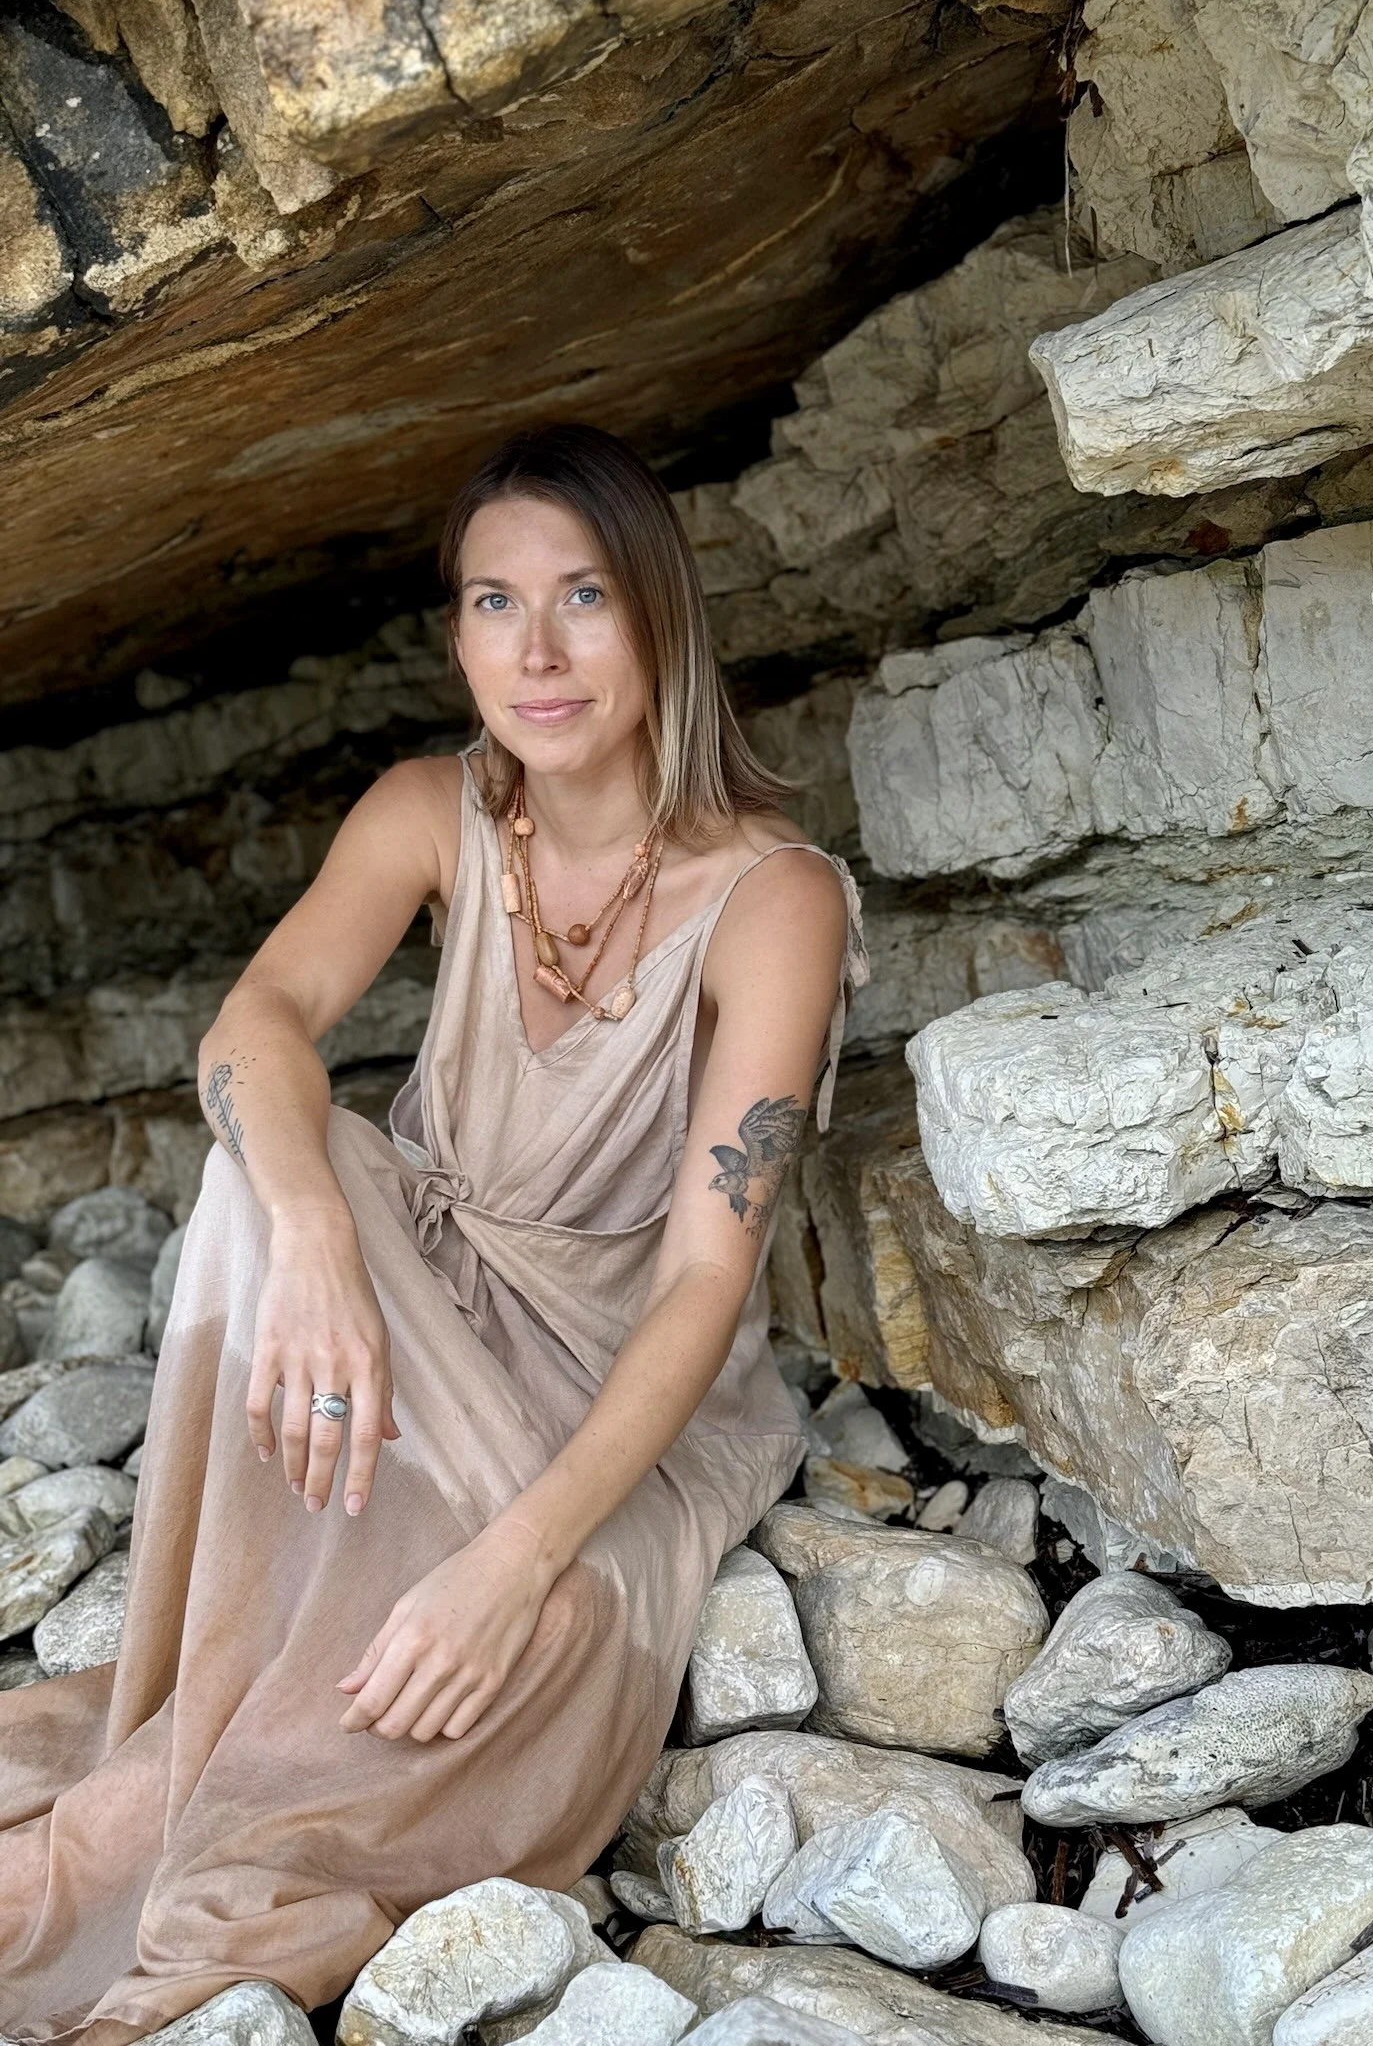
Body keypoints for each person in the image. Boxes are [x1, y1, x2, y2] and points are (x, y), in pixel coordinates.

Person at [0, 422, 867, 2042]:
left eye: (583, 597)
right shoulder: (433, 811)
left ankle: (193, 1790)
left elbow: (704, 1270)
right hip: (414, 1309)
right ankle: (186, 1760)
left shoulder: (775, 897)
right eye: (490, 602)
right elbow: (255, 1020)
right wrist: (323, 1239)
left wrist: (513, 1564)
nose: (533, 654)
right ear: (456, 628)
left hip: (615, 1384)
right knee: (278, 1149)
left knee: (503, 1651)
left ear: (662, 614)